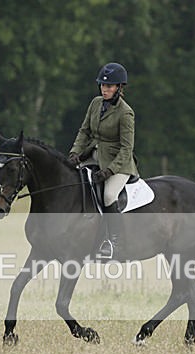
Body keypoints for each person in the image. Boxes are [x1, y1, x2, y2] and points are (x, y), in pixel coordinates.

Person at [69, 62, 139, 259]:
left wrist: (110, 171)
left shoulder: (126, 113)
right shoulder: (95, 103)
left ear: (119, 88)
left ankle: (113, 241)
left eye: (109, 86)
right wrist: (75, 152)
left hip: (119, 164)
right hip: (94, 156)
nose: (105, 89)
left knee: (108, 195)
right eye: (102, 85)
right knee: (74, 182)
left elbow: (127, 149)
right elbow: (84, 131)